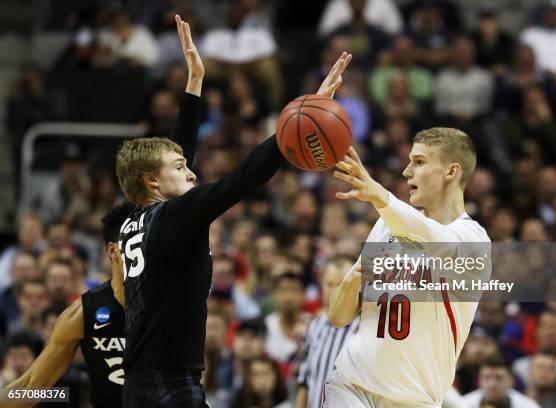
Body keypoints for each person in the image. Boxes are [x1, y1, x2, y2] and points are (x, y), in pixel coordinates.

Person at [116, 15, 352, 407]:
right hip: (169, 386)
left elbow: (173, 155)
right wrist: (296, 126)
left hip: (138, 384)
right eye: (180, 169)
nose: (190, 170)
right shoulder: (175, 216)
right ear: (152, 184)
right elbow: (241, 179)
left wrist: (194, 85)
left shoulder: (133, 219)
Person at [325, 127, 491, 407]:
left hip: (416, 399)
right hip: (351, 385)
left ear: (451, 172)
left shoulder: (473, 240)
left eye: (419, 162)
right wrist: (351, 281)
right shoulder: (387, 223)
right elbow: (337, 317)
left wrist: (382, 197)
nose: (406, 171)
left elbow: (432, 240)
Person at [0, 202, 134, 408]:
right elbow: (30, 388)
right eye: (139, 243)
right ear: (113, 250)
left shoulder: (171, 304)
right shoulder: (82, 313)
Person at [295, 256, 359, 408]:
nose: (334, 291)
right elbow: (305, 382)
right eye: (329, 284)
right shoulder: (315, 324)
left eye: (341, 284)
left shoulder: (364, 327)